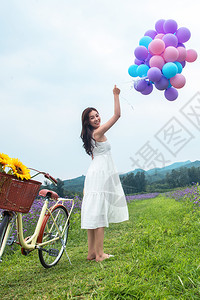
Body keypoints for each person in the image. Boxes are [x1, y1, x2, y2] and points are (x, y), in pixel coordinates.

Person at [80, 85, 129, 262]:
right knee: (99, 213)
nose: (96, 119)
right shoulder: (98, 133)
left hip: (95, 172)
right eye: (92, 117)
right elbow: (117, 116)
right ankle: (100, 255)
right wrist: (116, 95)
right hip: (100, 174)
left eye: (97, 115)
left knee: (94, 212)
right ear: (87, 122)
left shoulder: (89, 135)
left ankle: (92, 253)